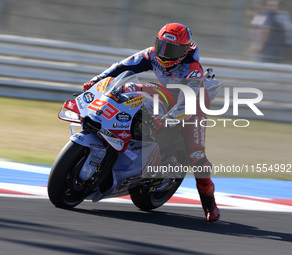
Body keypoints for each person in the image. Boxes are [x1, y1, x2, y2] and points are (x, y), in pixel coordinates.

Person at [83, 22, 220, 222]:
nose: (164, 53)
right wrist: (97, 80)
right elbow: (122, 66)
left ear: (183, 51)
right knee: (127, 89)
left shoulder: (192, 70)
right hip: (166, 93)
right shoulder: (151, 55)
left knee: (196, 156)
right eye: (161, 46)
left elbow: (187, 104)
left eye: (171, 49)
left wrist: (167, 120)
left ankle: (210, 205)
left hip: (192, 105)